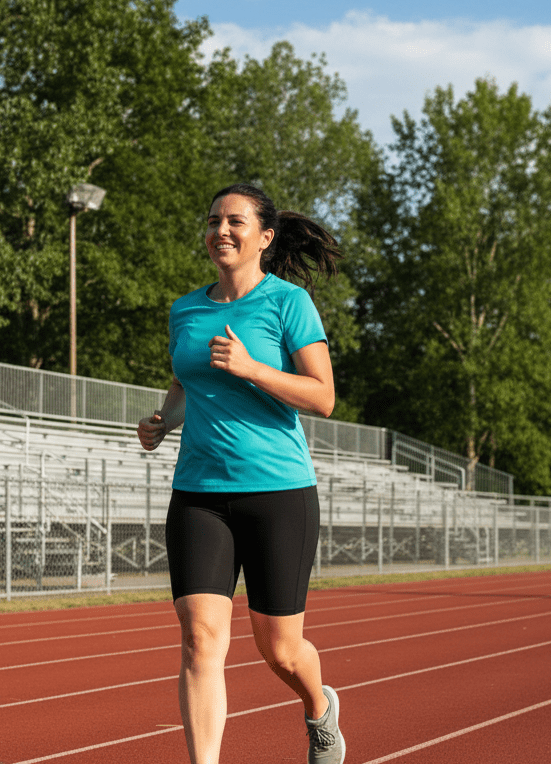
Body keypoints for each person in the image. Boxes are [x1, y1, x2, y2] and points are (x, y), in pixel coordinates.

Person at [137, 183, 345, 764]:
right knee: (200, 637)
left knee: (279, 649)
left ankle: (319, 709)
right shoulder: (186, 309)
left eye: (234, 221)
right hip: (199, 494)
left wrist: (254, 368)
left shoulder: (288, 303)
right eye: (212, 221)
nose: (220, 231)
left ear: (266, 237)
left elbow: (323, 397)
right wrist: (163, 422)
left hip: (278, 492)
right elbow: (184, 386)